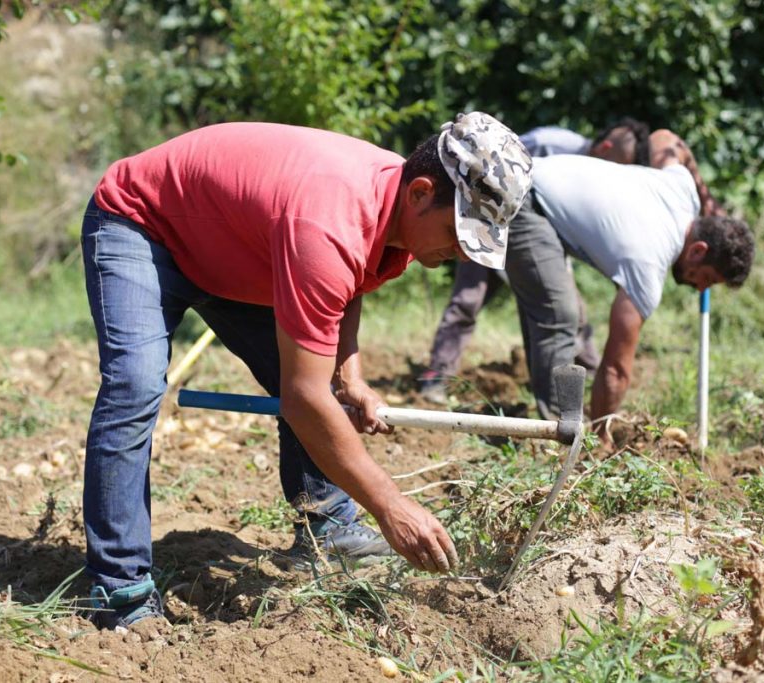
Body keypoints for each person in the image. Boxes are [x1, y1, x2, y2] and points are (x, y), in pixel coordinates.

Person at [80, 112, 533, 628]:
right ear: (422, 194)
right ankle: (119, 586)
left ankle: (328, 528)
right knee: (135, 386)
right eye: (459, 233)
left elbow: (351, 283)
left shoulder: (397, 202)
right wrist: (391, 506)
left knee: (318, 385)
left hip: (237, 249)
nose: (459, 254)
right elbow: (304, 395)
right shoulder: (331, 220)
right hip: (142, 224)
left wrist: (349, 375)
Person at [487, 129, 753, 437]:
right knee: (559, 315)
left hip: (530, 181)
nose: (701, 288)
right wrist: (604, 437)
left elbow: (665, 138)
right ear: (697, 251)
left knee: (550, 306)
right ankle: (558, 437)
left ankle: (558, 422)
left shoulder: (684, 190)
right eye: (706, 278)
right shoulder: (649, 265)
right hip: (525, 200)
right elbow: (615, 369)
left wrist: (706, 197)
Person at [418, 118, 651, 404]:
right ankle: (437, 376)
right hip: (487, 225)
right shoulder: (549, 143)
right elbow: (494, 165)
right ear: (604, 147)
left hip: (540, 243)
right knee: (468, 299)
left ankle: (587, 376)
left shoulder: (592, 172)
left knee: (569, 308)